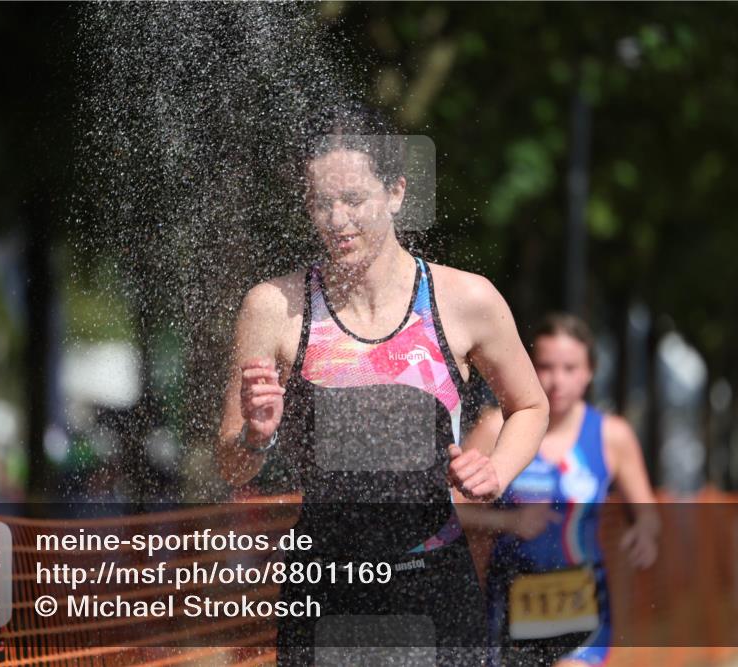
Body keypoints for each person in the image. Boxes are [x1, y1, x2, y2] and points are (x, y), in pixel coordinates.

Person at [215, 103, 549, 666]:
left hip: (434, 584)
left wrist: (498, 471)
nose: (337, 220)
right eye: (321, 202)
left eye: (353, 199)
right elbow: (231, 466)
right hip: (325, 590)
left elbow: (530, 405)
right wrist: (255, 436)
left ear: (396, 193)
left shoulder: (465, 300)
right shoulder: (273, 308)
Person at [460, 313, 660, 667]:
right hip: (508, 602)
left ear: (590, 372)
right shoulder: (494, 428)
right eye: (546, 367)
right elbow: (452, 510)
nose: (557, 381)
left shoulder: (612, 435)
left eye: (570, 368)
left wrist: (644, 531)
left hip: (582, 603)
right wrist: (510, 522)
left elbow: (647, 512)